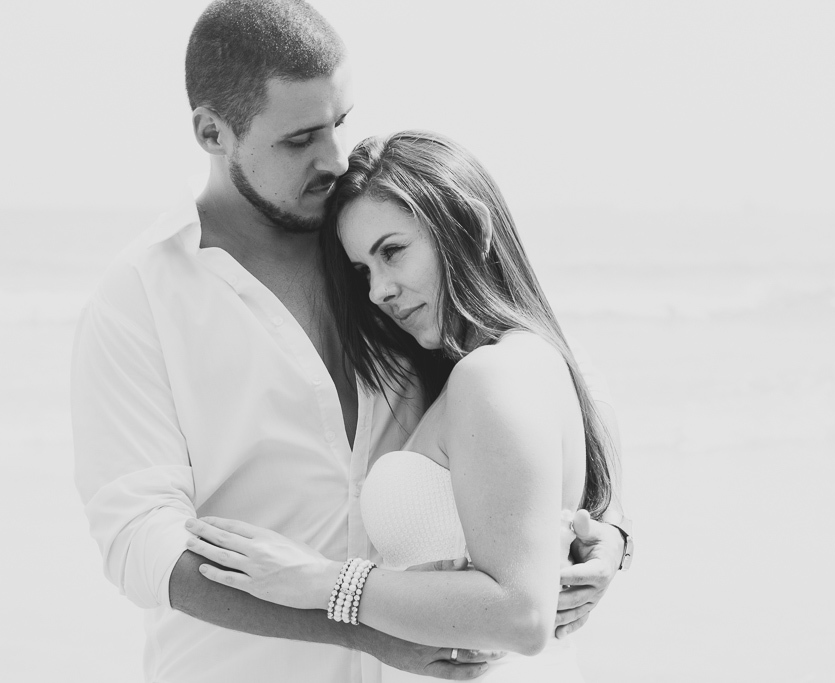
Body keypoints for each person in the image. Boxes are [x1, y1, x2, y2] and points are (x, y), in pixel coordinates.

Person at [70, 2, 631, 682]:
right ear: (212, 132)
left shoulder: (374, 241)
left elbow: (548, 389)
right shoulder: (140, 300)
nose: (333, 159)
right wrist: (355, 621)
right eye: (299, 139)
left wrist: (612, 532)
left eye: (339, 123)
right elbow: (141, 545)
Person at [183, 130, 622, 682]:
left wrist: (319, 580)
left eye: (393, 252)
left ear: (473, 229)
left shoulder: (493, 375)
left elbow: (522, 613)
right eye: (364, 270)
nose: (378, 292)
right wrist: (616, 538)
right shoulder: (528, 362)